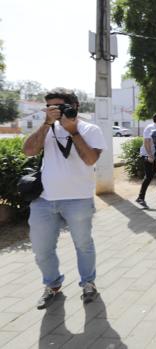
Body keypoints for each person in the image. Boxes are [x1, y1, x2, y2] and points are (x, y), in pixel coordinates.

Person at [22, 88, 107, 309]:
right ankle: (52, 285)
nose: (54, 111)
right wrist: (47, 123)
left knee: (83, 244)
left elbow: (90, 160)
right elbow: (28, 150)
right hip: (44, 199)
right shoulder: (48, 128)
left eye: (58, 107)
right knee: (42, 249)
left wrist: (73, 132)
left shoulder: (90, 129)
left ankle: (88, 283)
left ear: (74, 106)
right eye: (49, 107)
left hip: (78, 199)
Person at [136, 112, 156, 208]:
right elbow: (146, 141)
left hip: (155, 155)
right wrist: (149, 155)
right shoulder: (150, 127)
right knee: (149, 176)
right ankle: (140, 198)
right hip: (147, 155)